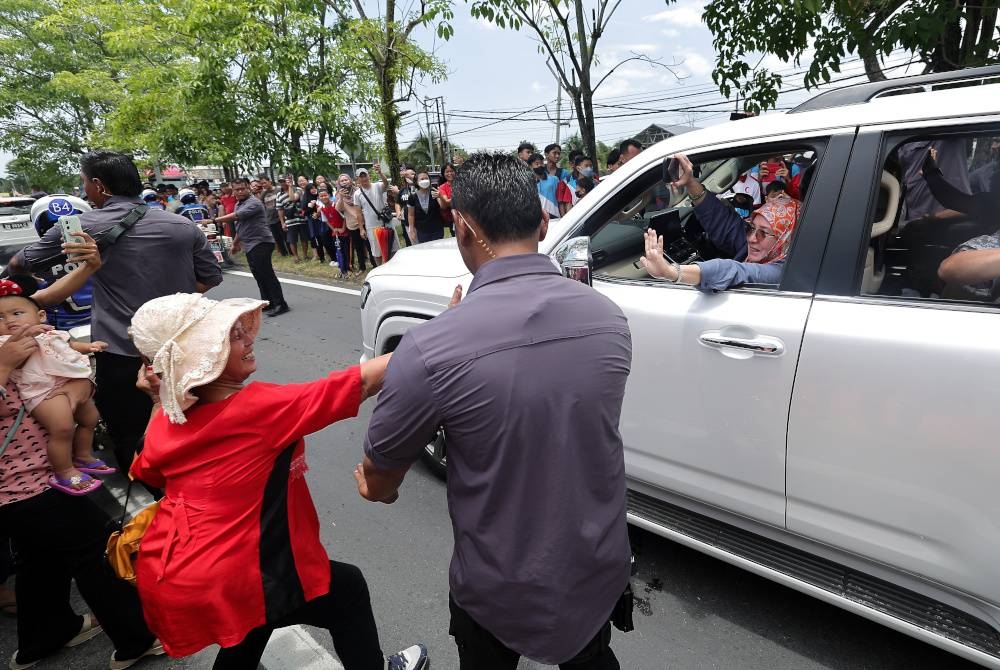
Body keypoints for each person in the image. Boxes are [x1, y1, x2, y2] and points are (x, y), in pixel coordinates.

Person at [357, 152, 634, 670]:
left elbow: (377, 482)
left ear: (461, 228)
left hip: (495, 587)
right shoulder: (608, 319)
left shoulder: (430, 349)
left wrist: (442, 345)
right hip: (595, 569)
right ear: (543, 222)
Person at [127, 293, 428, 670]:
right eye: (231, 336)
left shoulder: (169, 414)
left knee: (255, 624)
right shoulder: (256, 409)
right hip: (242, 570)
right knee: (346, 591)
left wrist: (160, 400)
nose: (247, 338)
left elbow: (147, 469)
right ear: (204, 357)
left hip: (177, 569)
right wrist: (441, 336)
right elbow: (362, 382)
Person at [0, 235, 164, 670]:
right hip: (28, 483)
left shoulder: (17, 325)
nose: (10, 320)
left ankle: (45, 637)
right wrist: (5, 366)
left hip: (27, 484)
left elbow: (36, 302)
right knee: (93, 553)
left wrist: (90, 267)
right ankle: (137, 638)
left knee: (39, 560)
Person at [8, 150, 224, 474]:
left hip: (120, 351)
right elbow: (210, 277)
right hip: (183, 349)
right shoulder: (182, 225)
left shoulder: (80, 227)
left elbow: (19, 263)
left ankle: (148, 488)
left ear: (98, 185)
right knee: (193, 419)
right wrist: (166, 304)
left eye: (85, 183)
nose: (85, 191)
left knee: (130, 431)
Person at [0, 276, 112, 495]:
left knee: (91, 418)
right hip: (42, 392)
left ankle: (83, 455)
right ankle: (65, 470)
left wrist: (89, 347)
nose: (9, 321)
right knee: (63, 428)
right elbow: (16, 360)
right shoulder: (6, 343)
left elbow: (68, 345)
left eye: (17, 313)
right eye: (0, 318)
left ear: (41, 316)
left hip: (65, 382)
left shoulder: (49, 333)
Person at [639, 153, 801, 291]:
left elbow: (733, 270)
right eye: (751, 228)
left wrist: (672, 272)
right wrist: (690, 182)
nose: (752, 238)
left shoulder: (782, 272)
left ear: (785, 240)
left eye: (763, 233)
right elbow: (723, 222)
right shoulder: (763, 249)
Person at [213, 178, 290, 316]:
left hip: (261, 242)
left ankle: (280, 304)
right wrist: (235, 243)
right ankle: (268, 302)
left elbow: (237, 216)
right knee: (258, 274)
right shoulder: (238, 204)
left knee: (266, 273)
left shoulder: (254, 202)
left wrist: (213, 220)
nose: (240, 191)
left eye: (243, 188)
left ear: (248, 187)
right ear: (233, 191)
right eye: (237, 189)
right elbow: (241, 226)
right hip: (250, 244)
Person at [354, 166, 394, 266]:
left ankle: (393, 267)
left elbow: (386, 184)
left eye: (365, 175)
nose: (364, 178)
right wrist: (361, 229)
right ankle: (379, 269)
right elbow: (358, 213)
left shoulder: (377, 186)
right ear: (358, 179)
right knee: (376, 252)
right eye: (361, 177)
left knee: (392, 247)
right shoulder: (357, 194)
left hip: (386, 222)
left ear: (369, 176)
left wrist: (380, 173)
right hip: (371, 226)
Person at [336, 174, 368, 276]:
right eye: (342, 181)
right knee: (358, 247)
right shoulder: (339, 194)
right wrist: (341, 197)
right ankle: (362, 267)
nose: (344, 182)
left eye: (346, 179)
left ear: (350, 180)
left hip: (364, 221)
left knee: (369, 244)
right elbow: (339, 208)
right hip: (352, 225)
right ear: (339, 183)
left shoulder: (358, 190)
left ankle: (375, 264)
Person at [407, 170, 446, 243]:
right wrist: (411, 229)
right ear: (416, 181)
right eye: (422, 179)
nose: (424, 180)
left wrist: (440, 197)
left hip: (437, 228)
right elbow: (411, 215)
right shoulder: (412, 197)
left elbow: (443, 206)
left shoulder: (434, 192)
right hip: (422, 230)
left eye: (426, 178)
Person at [257, 174, 290, 257]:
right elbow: (261, 205)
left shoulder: (278, 189)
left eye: (265, 182)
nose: (263, 185)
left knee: (286, 236)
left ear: (270, 181)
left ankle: (291, 251)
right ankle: (283, 253)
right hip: (270, 219)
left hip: (281, 217)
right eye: (262, 183)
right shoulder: (263, 193)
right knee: (277, 238)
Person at [529, 153, 561, 219]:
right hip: (538, 218)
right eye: (537, 164)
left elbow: (560, 199)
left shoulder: (554, 179)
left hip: (555, 216)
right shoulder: (528, 183)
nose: (540, 165)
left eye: (542, 163)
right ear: (530, 166)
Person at [436, 163, 457, 235]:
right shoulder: (442, 187)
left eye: (451, 171)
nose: (450, 173)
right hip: (452, 219)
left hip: (466, 216)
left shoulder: (461, 183)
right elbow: (446, 202)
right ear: (443, 174)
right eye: (447, 172)